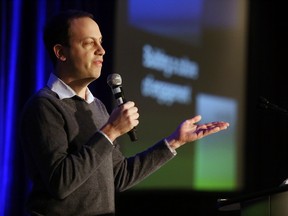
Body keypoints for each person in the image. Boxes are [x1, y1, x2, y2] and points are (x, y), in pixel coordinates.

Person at [20, 9, 229, 216]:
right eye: (89, 43)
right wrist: (110, 131)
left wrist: (175, 141)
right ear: (61, 53)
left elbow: (119, 176)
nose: (101, 50)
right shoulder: (44, 106)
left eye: (100, 42)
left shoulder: (97, 106)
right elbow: (60, 182)